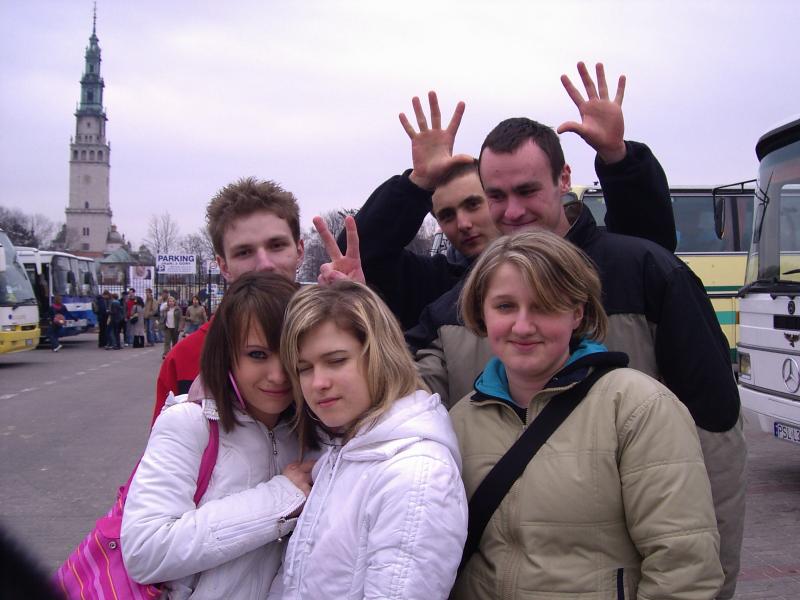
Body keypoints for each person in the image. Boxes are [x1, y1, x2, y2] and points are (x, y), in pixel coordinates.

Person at [409, 63, 745, 598]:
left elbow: (717, 438)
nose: (511, 211)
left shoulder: (646, 274)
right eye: (496, 195)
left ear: (564, 180)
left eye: (527, 190)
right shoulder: (457, 309)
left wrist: (717, 582)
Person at [450, 230, 723, 598]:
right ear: (482, 311)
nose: (523, 326)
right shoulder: (459, 421)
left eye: (544, 305)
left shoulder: (638, 408)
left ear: (577, 312)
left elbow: (684, 565)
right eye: (505, 306)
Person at [338, 66, 676, 332]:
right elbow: (357, 256)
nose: (464, 223)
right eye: (447, 215)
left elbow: (649, 242)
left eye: (474, 204)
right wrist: (415, 185)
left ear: (563, 180)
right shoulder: (444, 290)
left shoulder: (604, 262)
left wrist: (619, 159)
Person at [121, 272, 313, 598]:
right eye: (257, 354)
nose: (279, 375)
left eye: (291, 353)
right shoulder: (189, 423)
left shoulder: (312, 431)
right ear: (226, 355)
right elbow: (145, 551)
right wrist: (282, 498)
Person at [275, 281, 467, 598]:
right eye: (304, 368)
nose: (318, 382)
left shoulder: (416, 474)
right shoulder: (350, 447)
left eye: (336, 360)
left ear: (380, 355)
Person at [153, 177, 305, 424]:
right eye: (244, 252)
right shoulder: (185, 358)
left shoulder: (335, 338)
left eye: (277, 245)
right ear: (223, 265)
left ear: (299, 251)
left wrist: (359, 313)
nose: (264, 264)